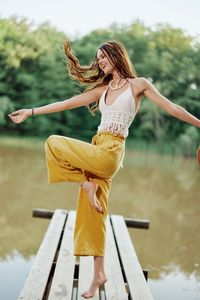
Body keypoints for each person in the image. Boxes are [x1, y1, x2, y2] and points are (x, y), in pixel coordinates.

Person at [8, 40, 200, 298]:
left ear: (116, 55)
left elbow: (173, 108)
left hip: (110, 152)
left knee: (53, 142)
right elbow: (67, 103)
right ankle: (99, 274)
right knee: (93, 214)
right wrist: (31, 111)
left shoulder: (139, 84)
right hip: (97, 146)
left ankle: (84, 184)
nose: (99, 61)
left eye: (103, 56)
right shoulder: (103, 89)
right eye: (97, 58)